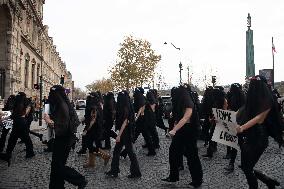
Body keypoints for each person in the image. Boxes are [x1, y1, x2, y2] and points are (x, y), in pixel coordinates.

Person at [236, 76, 280, 189]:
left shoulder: (268, 100)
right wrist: (222, 119)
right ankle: (268, 181)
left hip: (259, 139)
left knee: (247, 167)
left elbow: (259, 118)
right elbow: (240, 112)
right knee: (246, 167)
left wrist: (242, 127)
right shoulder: (251, 101)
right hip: (248, 137)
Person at [44, 85, 87, 189]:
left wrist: (49, 121)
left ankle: (80, 180)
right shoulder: (62, 103)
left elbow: (63, 126)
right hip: (65, 139)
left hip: (64, 139)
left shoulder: (62, 105)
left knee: (58, 166)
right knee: (56, 166)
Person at [162, 84, 203, 188]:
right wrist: (175, 125)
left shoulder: (187, 100)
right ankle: (173, 176)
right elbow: (180, 117)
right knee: (173, 152)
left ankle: (197, 180)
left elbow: (186, 118)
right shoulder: (182, 99)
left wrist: (174, 130)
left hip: (190, 131)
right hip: (182, 130)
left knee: (192, 156)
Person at [105, 90, 141, 178]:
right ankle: (115, 170)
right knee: (117, 151)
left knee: (130, 153)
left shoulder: (124, 108)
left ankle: (135, 172)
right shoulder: (128, 106)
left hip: (125, 133)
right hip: (126, 132)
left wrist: (119, 135)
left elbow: (125, 122)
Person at [0, 93, 35, 166]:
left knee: (16, 138)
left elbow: (21, 113)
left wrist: (8, 117)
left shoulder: (21, 102)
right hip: (21, 122)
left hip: (20, 122)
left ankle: (8, 154)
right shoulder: (25, 102)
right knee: (20, 138)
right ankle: (29, 152)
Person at [82, 91, 110, 168]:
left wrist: (86, 130)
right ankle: (91, 163)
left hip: (93, 129)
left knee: (90, 145)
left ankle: (105, 156)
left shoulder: (94, 107)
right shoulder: (97, 105)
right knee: (90, 145)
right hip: (96, 129)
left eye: (90, 97)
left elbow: (93, 120)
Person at [224, 83, 245, 172]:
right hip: (237, 122)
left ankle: (233, 163)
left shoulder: (238, 97)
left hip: (238, 123)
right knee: (239, 143)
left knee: (237, 143)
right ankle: (234, 163)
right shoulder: (241, 96)